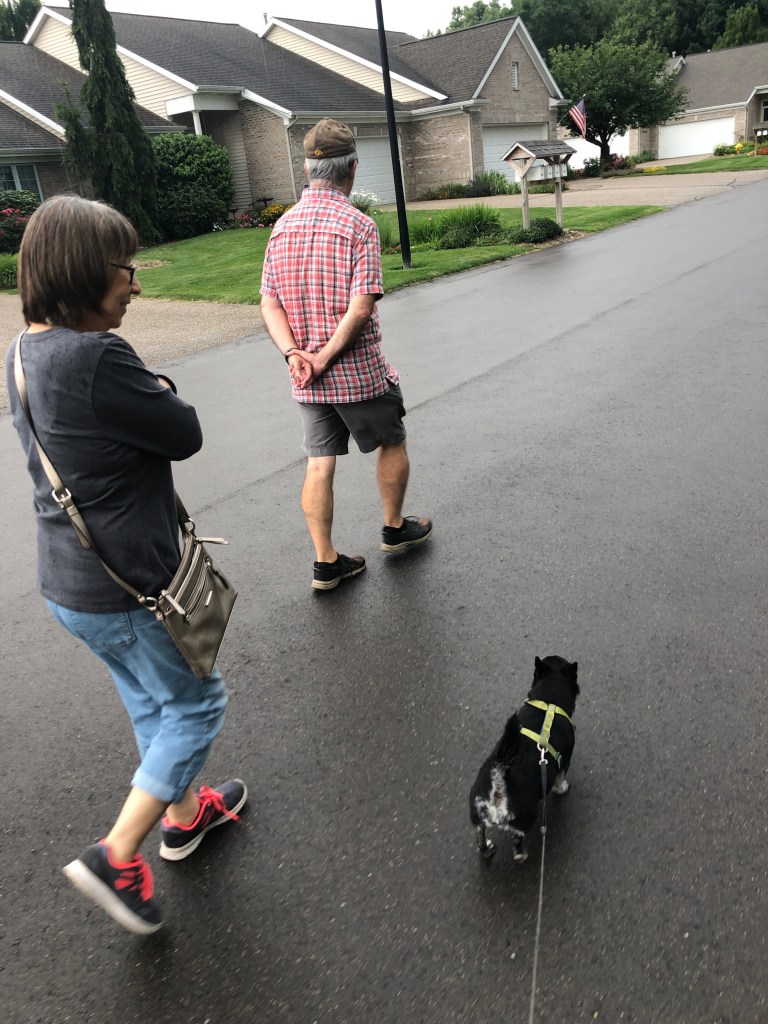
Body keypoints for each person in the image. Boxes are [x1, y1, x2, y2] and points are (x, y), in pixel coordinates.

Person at [6, 195, 246, 936]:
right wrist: (162, 387)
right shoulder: (97, 356)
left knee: (152, 704)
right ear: (85, 269)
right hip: (130, 585)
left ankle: (185, 814)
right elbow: (183, 433)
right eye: (126, 268)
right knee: (197, 706)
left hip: (70, 585)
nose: (136, 283)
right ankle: (117, 854)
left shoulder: (23, 352)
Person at [260, 118, 432, 590]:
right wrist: (324, 357)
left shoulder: (282, 227)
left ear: (307, 169)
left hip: (306, 378)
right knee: (391, 439)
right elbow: (361, 309)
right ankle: (394, 529)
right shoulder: (359, 226)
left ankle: (326, 562)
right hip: (357, 373)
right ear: (353, 168)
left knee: (319, 462)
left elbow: (269, 303)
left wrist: (296, 354)